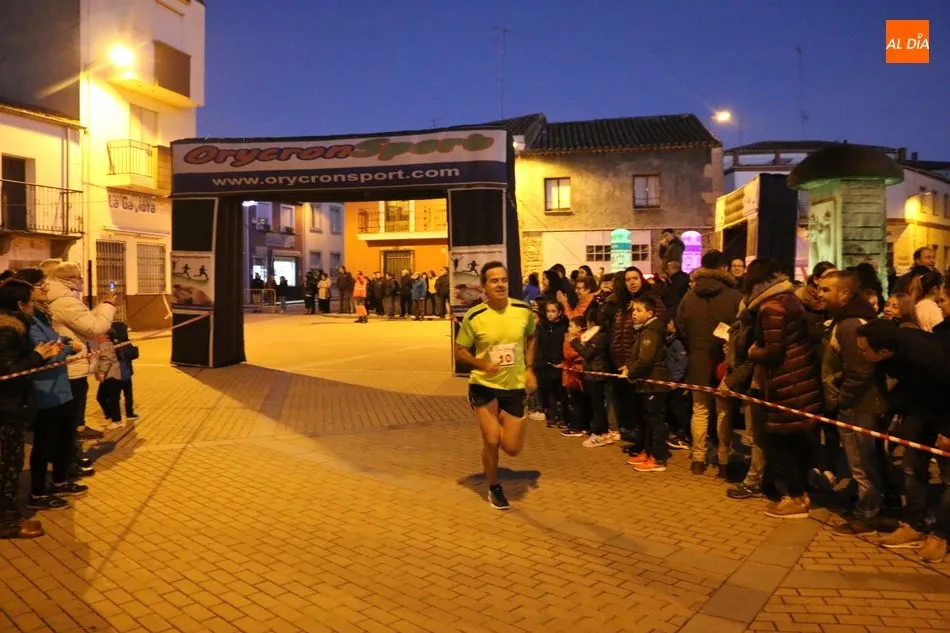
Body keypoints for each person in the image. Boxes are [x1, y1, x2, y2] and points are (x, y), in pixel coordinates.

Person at [454, 262, 537, 510]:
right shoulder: (475, 315)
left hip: (513, 386)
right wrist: (482, 364)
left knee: (511, 448)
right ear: (484, 287)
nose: (500, 284)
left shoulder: (522, 310)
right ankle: (494, 486)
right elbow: (460, 350)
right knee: (491, 440)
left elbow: (531, 336)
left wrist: (529, 368)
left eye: (503, 280)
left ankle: (505, 422)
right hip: (484, 385)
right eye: (494, 281)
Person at [0, 279, 60, 539]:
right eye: (31, 301)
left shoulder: (12, 326)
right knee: (8, 465)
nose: (33, 306)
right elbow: (8, 370)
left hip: (10, 406)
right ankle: (8, 521)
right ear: (19, 303)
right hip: (5, 409)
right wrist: (38, 356)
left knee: (10, 463)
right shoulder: (7, 330)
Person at [621, 295, 671, 473]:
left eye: (639, 310)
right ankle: (648, 451)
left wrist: (631, 372)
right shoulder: (643, 331)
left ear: (650, 313)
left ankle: (658, 458)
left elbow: (645, 360)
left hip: (654, 385)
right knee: (647, 419)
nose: (634, 313)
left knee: (655, 421)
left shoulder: (651, 332)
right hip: (646, 384)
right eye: (633, 310)